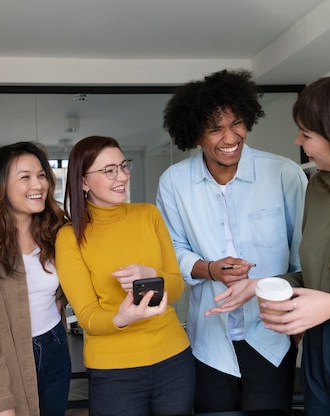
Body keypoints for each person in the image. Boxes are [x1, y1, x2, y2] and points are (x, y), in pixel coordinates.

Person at [207, 68, 330, 415]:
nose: (298, 143)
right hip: (317, 354)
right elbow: (320, 277)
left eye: (307, 134)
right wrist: (263, 285)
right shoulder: (318, 187)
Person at [156, 69, 308, 414]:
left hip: (271, 335)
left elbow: (302, 259)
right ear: (195, 135)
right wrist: (210, 269)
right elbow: (172, 250)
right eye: (215, 128)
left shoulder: (284, 174)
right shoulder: (174, 183)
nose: (230, 137)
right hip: (209, 339)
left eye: (237, 123)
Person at [55, 135, 194, 416]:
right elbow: (88, 316)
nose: (122, 176)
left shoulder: (149, 215)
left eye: (123, 166)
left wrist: (152, 274)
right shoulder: (70, 237)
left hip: (174, 359)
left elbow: (177, 287)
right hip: (114, 371)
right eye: (109, 171)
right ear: (83, 182)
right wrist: (121, 319)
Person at [0, 142, 71, 416]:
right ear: (0, 185)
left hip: (55, 346)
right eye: (25, 177)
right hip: (6, 355)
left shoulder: (56, 228)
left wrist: (59, 300)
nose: (39, 184)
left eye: (42, 175)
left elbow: (77, 275)